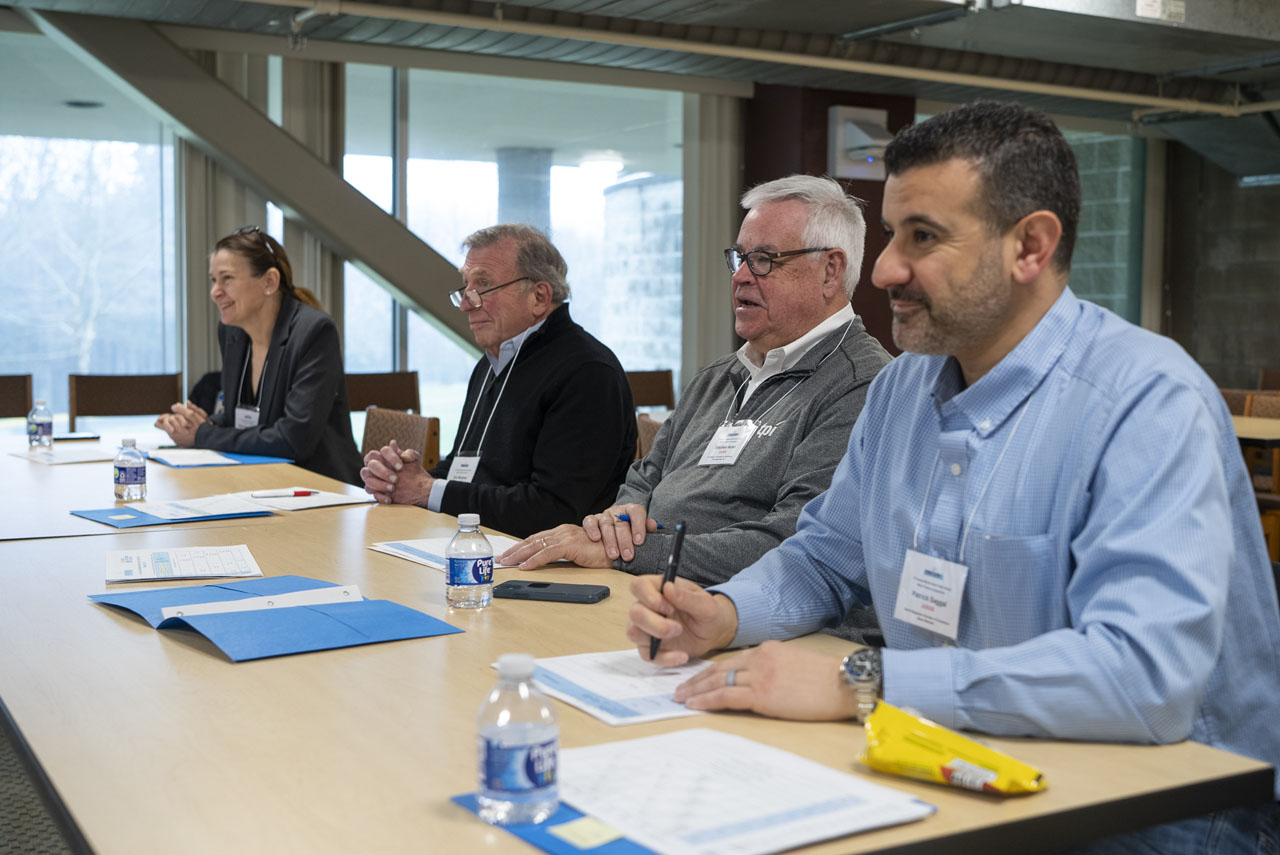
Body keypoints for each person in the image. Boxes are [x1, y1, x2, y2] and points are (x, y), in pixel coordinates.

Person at [626, 101, 1280, 852]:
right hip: (954, 757)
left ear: (1030, 246)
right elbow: (825, 558)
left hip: (1159, 810)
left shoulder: (1145, 399)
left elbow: (1145, 677)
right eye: (891, 234)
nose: (884, 269)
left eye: (923, 237)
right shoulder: (903, 389)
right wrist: (726, 613)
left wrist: (859, 682)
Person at [501, 176, 891, 642]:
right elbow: (644, 478)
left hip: (770, 633)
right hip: (652, 594)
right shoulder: (718, 376)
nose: (740, 277)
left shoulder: (864, 385)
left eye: (764, 260)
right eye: (740, 258)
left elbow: (792, 544)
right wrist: (619, 522)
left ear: (830, 271)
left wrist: (626, 552)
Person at [360, 224, 635, 539]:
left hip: (547, 560)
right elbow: (466, 469)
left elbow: (553, 511)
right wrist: (402, 479)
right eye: (466, 286)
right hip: (476, 542)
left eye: (484, 284)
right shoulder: (491, 362)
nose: (466, 303)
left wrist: (426, 490)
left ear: (539, 297)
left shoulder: (588, 372)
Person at [155, 227, 362, 485]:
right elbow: (243, 420)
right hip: (259, 482)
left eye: (227, 278)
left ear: (269, 282)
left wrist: (203, 434)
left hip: (320, 486)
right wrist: (198, 424)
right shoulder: (231, 331)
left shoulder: (314, 332)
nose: (215, 291)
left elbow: (293, 440)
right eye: (213, 280)